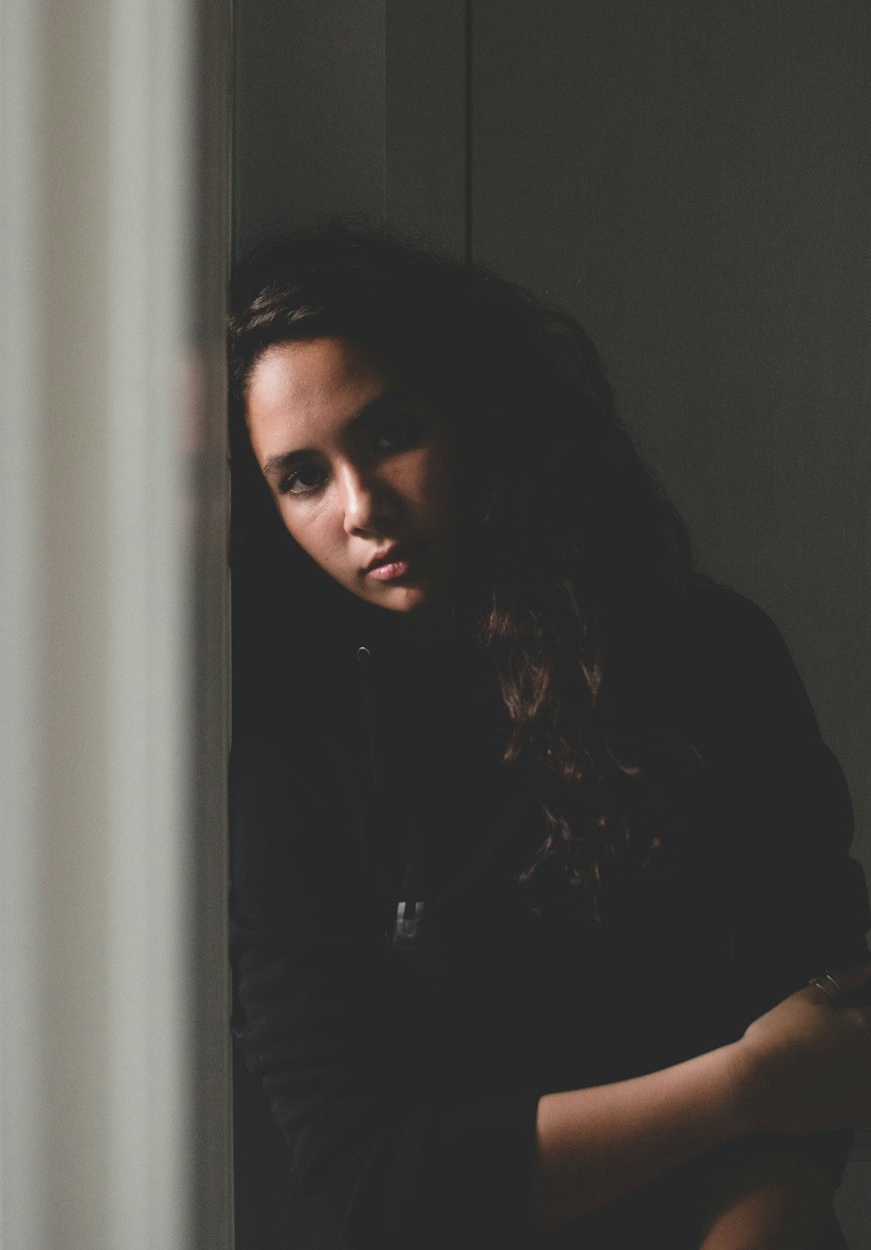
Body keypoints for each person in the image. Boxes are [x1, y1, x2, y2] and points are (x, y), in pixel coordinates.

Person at [226, 225, 871, 1249]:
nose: (362, 508)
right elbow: (376, 1174)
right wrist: (743, 1086)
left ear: (473, 406)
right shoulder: (290, 757)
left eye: (389, 432)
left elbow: (821, 1009)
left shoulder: (705, 649)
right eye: (302, 476)